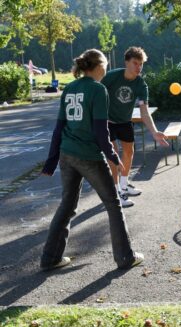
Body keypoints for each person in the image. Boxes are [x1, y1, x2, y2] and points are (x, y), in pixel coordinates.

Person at [40, 49, 144, 271]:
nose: (106, 69)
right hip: (88, 155)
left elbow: (59, 128)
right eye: (105, 65)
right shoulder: (98, 89)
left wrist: (51, 161)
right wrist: (113, 156)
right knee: (113, 203)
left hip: (67, 155)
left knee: (67, 206)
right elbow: (100, 130)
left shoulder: (69, 88)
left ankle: (50, 258)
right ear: (98, 66)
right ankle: (125, 257)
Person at [101, 47, 168, 208]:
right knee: (113, 156)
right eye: (135, 63)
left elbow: (144, 112)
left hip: (125, 121)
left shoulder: (140, 85)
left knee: (129, 152)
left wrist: (154, 132)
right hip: (107, 121)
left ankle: (124, 185)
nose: (139, 67)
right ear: (127, 62)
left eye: (141, 64)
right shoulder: (111, 77)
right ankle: (116, 192)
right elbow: (95, 94)